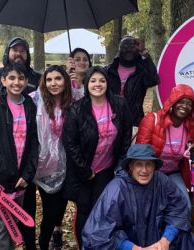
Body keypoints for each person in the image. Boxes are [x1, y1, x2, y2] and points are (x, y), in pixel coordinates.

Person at [62, 66, 132, 248]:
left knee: (102, 209)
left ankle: (100, 244)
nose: (97, 84)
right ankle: (84, 245)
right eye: (93, 81)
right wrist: (84, 170)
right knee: (84, 208)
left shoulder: (119, 104)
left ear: (107, 83)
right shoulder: (77, 109)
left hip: (107, 168)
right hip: (84, 170)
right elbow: (70, 143)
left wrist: (121, 163)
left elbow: (125, 134)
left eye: (102, 80)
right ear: (87, 84)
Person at [82, 144, 194, 250]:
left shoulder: (161, 181)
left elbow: (178, 209)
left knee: (184, 235)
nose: (144, 170)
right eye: (139, 164)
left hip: (157, 244)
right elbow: (97, 233)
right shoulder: (116, 189)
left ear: (154, 167)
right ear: (130, 167)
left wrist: (166, 240)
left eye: (148, 164)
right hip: (126, 245)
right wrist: (134, 248)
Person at [0, 63, 39, 250]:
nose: (16, 82)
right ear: (3, 80)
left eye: (21, 78)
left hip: (19, 180)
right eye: (11, 78)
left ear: (27, 81)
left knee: (12, 226)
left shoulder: (29, 105)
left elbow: (34, 143)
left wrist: (28, 175)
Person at [30, 65, 74, 250]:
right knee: (50, 210)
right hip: (44, 166)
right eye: (49, 79)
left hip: (68, 165)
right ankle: (43, 243)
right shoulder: (34, 101)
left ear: (65, 81)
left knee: (61, 207)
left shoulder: (73, 102)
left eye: (58, 78)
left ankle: (57, 231)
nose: (53, 83)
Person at [136, 84, 194, 205]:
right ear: (172, 103)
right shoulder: (152, 120)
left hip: (174, 172)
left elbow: (187, 154)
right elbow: (140, 153)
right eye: (180, 102)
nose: (184, 106)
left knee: (184, 204)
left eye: (189, 104)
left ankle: (176, 225)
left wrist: (192, 153)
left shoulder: (191, 127)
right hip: (151, 171)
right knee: (154, 207)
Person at [105, 35, 159, 126]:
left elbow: (153, 80)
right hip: (109, 120)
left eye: (132, 46)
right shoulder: (109, 70)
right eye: (125, 46)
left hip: (133, 120)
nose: (129, 50)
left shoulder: (142, 71)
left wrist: (144, 53)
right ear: (119, 49)